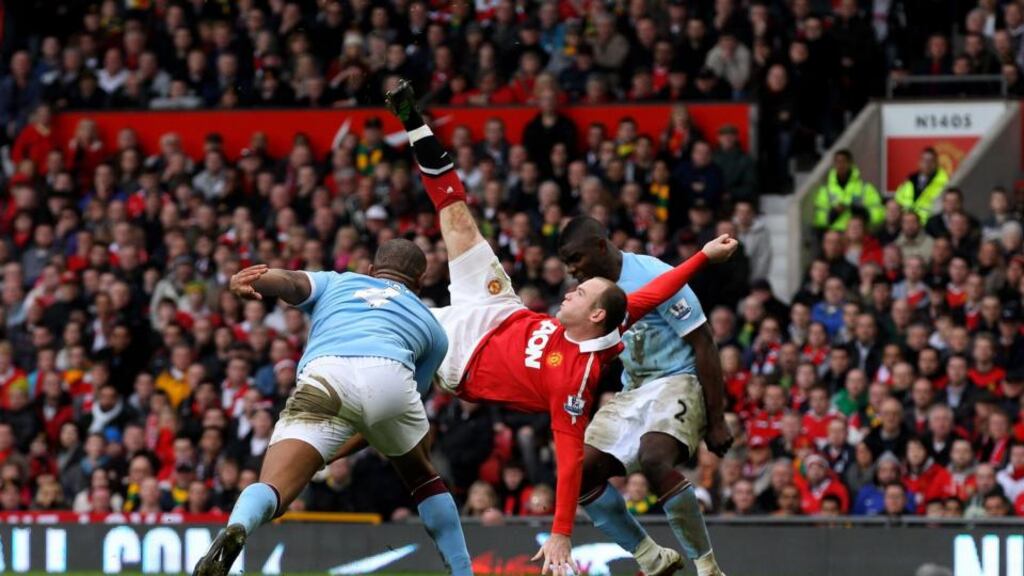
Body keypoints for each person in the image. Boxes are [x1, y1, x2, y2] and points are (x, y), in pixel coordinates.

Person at [384, 78, 738, 576]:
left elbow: (566, 460)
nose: (571, 284)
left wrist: (560, 533)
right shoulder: (611, 312)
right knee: (457, 217)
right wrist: (704, 254)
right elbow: (655, 294)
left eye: (580, 284)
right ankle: (413, 121)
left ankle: (706, 566)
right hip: (498, 309)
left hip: (459, 352)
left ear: (596, 312)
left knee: (379, 324)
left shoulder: (573, 381)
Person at [190, 239, 470, 576]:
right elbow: (385, 415)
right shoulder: (433, 329)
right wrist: (334, 451)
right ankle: (462, 571)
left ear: (370, 270)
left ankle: (238, 528)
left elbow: (291, 282)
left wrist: (253, 280)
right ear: (420, 281)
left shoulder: (339, 281)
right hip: (390, 374)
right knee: (422, 475)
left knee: (274, 486)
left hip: (326, 374)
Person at [556, 215, 731, 576]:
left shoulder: (652, 274)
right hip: (633, 388)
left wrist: (717, 419)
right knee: (578, 470)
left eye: (576, 259)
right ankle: (651, 557)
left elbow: (704, 343)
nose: (573, 270)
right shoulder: (592, 296)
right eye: (568, 263)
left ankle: (707, 565)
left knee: (654, 459)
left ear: (601, 247)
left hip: (678, 380)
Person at [813, 150, 884, 232]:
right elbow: (819, 219)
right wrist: (834, 212)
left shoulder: (865, 188)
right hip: (835, 235)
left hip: (858, 233)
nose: (840, 165)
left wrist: (861, 212)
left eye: (844, 161)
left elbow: (879, 214)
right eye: (837, 162)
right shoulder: (826, 190)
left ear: (850, 163)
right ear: (834, 165)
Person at [894, 148, 949, 224]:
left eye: (931, 161)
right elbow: (897, 202)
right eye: (924, 161)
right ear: (919, 162)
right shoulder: (908, 182)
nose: (927, 164)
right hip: (906, 225)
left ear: (936, 163)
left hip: (930, 227)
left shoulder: (944, 184)